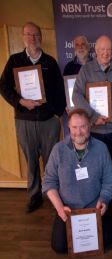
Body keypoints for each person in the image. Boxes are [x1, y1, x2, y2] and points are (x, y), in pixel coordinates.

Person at [0, 22, 66, 213]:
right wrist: (20, 101)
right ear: (23, 37)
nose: (33, 38)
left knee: (51, 161)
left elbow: (59, 91)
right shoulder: (14, 61)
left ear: (41, 38)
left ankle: (53, 195)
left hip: (49, 121)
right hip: (25, 121)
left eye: (36, 35)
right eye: (29, 35)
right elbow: (3, 86)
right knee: (31, 160)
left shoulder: (50, 62)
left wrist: (56, 115)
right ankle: (34, 195)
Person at [42, 108, 112, 253]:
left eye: (83, 126)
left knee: (105, 241)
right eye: (74, 127)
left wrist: (104, 200)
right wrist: (59, 208)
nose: (79, 131)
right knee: (59, 247)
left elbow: (109, 180)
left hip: (94, 207)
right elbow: (49, 182)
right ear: (68, 127)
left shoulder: (101, 149)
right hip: (68, 209)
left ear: (90, 126)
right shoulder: (58, 150)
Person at [73, 35, 112, 166]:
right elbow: (76, 95)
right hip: (95, 130)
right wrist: (93, 116)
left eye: (108, 49)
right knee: (97, 166)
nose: (106, 53)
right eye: (102, 49)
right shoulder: (86, 70)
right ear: (96, 51)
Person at [62, 35, 91, 137]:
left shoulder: (96, 64)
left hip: (93, 112)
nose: (80, 47)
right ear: (74, 48)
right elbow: (64, 91)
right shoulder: (69, 67)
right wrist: (67, 106)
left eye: (83, 44)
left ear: (88, 47)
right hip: (76, 113)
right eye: (77, 45)